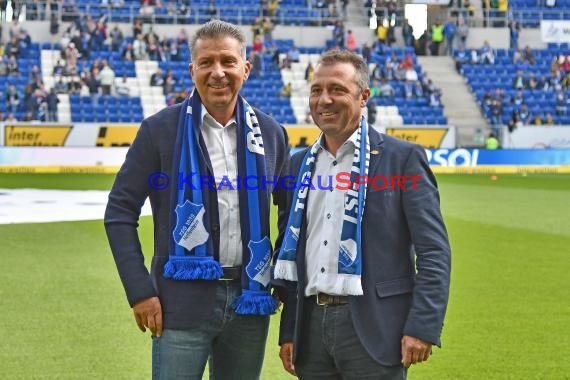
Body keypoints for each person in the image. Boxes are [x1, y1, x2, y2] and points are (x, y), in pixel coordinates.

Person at [104, 20, 289, 380]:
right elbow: (119, 212)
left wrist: (279, 276)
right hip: (179, 302)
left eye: (227, 61)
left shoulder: (270, 132)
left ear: (245, 69)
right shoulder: (159, 130)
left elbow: (292, 215)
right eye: (206, 63)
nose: (217, 72)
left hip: (250, 300)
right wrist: (140, 290)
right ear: (192, 70)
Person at [274, 50, 451, 379]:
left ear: (363, 96)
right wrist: (289, 331)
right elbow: (293, 252)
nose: (324, 100)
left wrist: (423, 325)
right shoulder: (298, 165)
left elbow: (434, 250)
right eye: (317, 90)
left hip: (375, 327)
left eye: (337, 89)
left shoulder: (402, 159)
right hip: (310, 330)